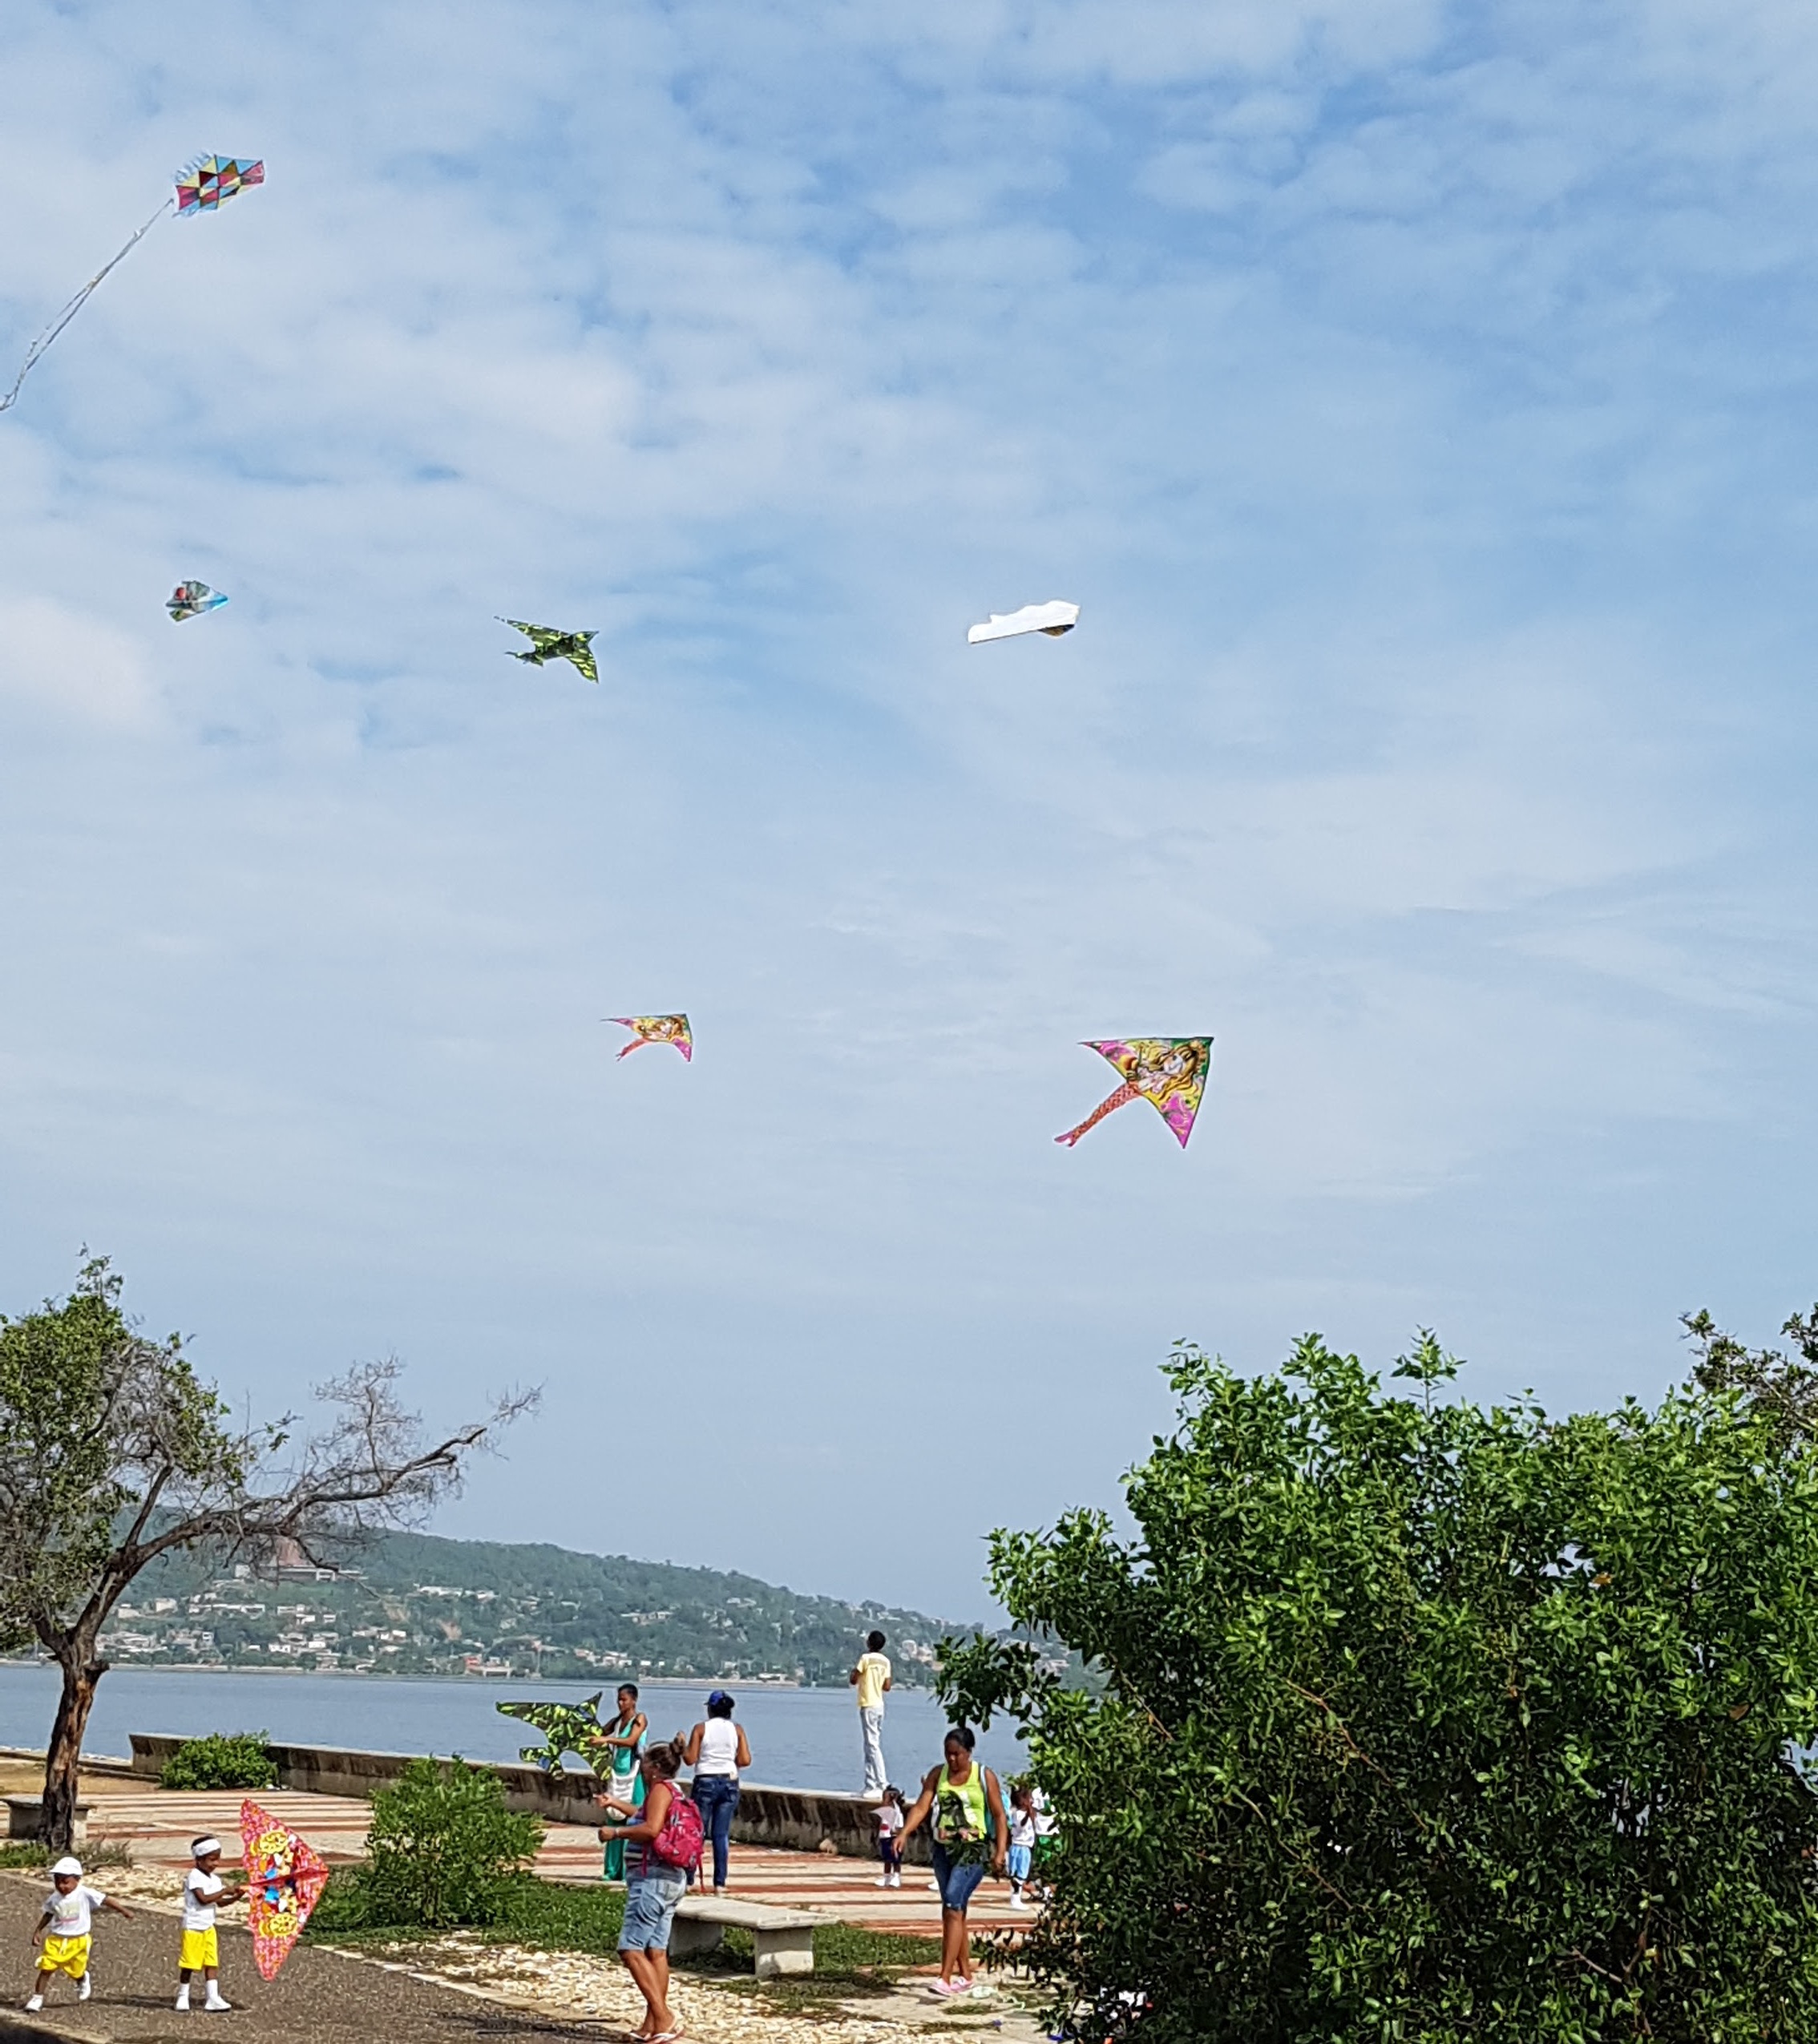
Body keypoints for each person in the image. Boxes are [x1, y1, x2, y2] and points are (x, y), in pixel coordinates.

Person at [895, 1726, 1008, 2000]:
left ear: (969, 1752)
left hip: (972, 1850)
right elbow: (922, 1806)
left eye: (957, 1754)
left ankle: (945, 1977)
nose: (952, 1760)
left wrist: (1000, 1851)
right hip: (944, 1849)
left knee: (953, 1905)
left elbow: (1000, 1815)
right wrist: (904, 1833)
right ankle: (965, 1975)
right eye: (948, 1754)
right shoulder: (938, 1774)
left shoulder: (984, 1776)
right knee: (955, 1911)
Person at [598, 1736, 698, 2043]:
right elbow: (645, 1814)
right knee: (656, 1951)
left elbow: (650, 1829)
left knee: (630, 1949)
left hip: (652, 1879)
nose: (641, 1769)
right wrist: (614, 1804)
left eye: (644, 1765)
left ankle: (664, 2017)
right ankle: (653, 2024)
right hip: (670, 1879)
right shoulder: (672, 1791)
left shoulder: (658, 1790)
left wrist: (615, 1833)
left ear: (654, 1768)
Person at [25, 1856, 132, 2011]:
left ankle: (82, 1978)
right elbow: (48, 1914)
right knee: (47, 1967)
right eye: (57, 1881)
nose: (61, 1886)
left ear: (77, 1880)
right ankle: (37, 1998)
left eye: (65, 1882)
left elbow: (105, 1900)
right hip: (57, 1940)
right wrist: (38, 1931)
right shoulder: (54, 1898)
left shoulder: (84, 1893)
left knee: (76, 1970)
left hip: (78, 1940)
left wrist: (124, 1911)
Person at [682, 1690, 750, 1894]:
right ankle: (720, 1882)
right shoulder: (736, 1730)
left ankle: (689, 1878)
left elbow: (690, 1759)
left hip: (705, 1781)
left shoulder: (701, 1729)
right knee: (721, 1835)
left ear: (710, 1709)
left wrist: (681, 1745)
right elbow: (745, 1760)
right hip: (729, 1782)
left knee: (698, 1833)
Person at [176, 1835, 242, 2012]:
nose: (215, 1864)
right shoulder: (195, 1877)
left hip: (208, 1926)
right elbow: (203, 1899)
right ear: (199, 1860)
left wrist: (235, 1897)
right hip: (193, 1926)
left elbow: (218, 1903)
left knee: (211, 1962)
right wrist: (224, 1891)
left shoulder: (215, 1880)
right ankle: (183, 1995)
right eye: (211, 1860)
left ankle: (212, 1997)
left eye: (217, 1859)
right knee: (189, 1964)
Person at [598, 1683, 648, 1884]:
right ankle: (612, 1869)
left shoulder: (640, 1719)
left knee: (632, 1819)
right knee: (614, 1819)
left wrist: (605, 1740)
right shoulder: (618, 1721)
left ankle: (630, 1869)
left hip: (634, 1774)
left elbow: (630, 1741)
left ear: (634, 1700)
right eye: (618, 1699)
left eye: (624, 1699)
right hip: (617, 1774)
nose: (620, 1703)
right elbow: (602, 1730)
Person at [847, 1629, 892, 1793]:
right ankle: (870, 1784)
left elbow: (854, 1679)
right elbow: (887, 1686)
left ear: (869, 1643)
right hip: (880, 1705)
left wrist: (855, 1674)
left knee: (872, 1746)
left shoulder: (865, 1658)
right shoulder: (885, 1661)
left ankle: (882, 1784)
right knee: (870, 1744)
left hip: (868, 1704)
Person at [1006, 1785, 1038, 1909]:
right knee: (1019, 1874)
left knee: (1020, 1874)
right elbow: (1022, 1825)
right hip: (1020, 1846)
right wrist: (1028, 1815)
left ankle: (1016, 1897)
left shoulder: (1023, 1813)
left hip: (1024, 1846)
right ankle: (1015, 1898)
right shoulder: (1018, 1814)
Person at [874, 1784, 906, 1888]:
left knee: (896, 1859)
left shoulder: (897, 1812)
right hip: (885, 1837)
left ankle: (896, 1876)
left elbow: (899, 1827)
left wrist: (896, 1835)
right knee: (887, 1859)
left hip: (893, 1838)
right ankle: (886, 1877)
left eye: (885, 1798)